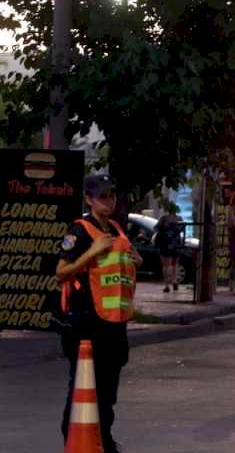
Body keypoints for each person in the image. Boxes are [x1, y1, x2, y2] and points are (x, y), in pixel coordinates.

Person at [56, 174, 143, 453]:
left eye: (112, 195)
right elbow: (61, 272)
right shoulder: (79, 230)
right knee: (82, 386)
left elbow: (120, 269)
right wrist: (91, 252)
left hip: (115, 323)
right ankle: (72, 439)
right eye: (103, 196)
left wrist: (136, 260)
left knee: (107, 393)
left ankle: (103, 440)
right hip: (87, 323)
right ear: (89, 200)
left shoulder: (117, 229)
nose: (109, 201)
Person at [155, 208, 182, 293]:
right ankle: (174, 281)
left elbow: (156, 228)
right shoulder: (179, 219)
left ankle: (166, 285)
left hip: (165, 244)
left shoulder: (163, 218)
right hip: (176, 243)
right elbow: (182, 229)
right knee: (175, 264)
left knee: (166, 265)